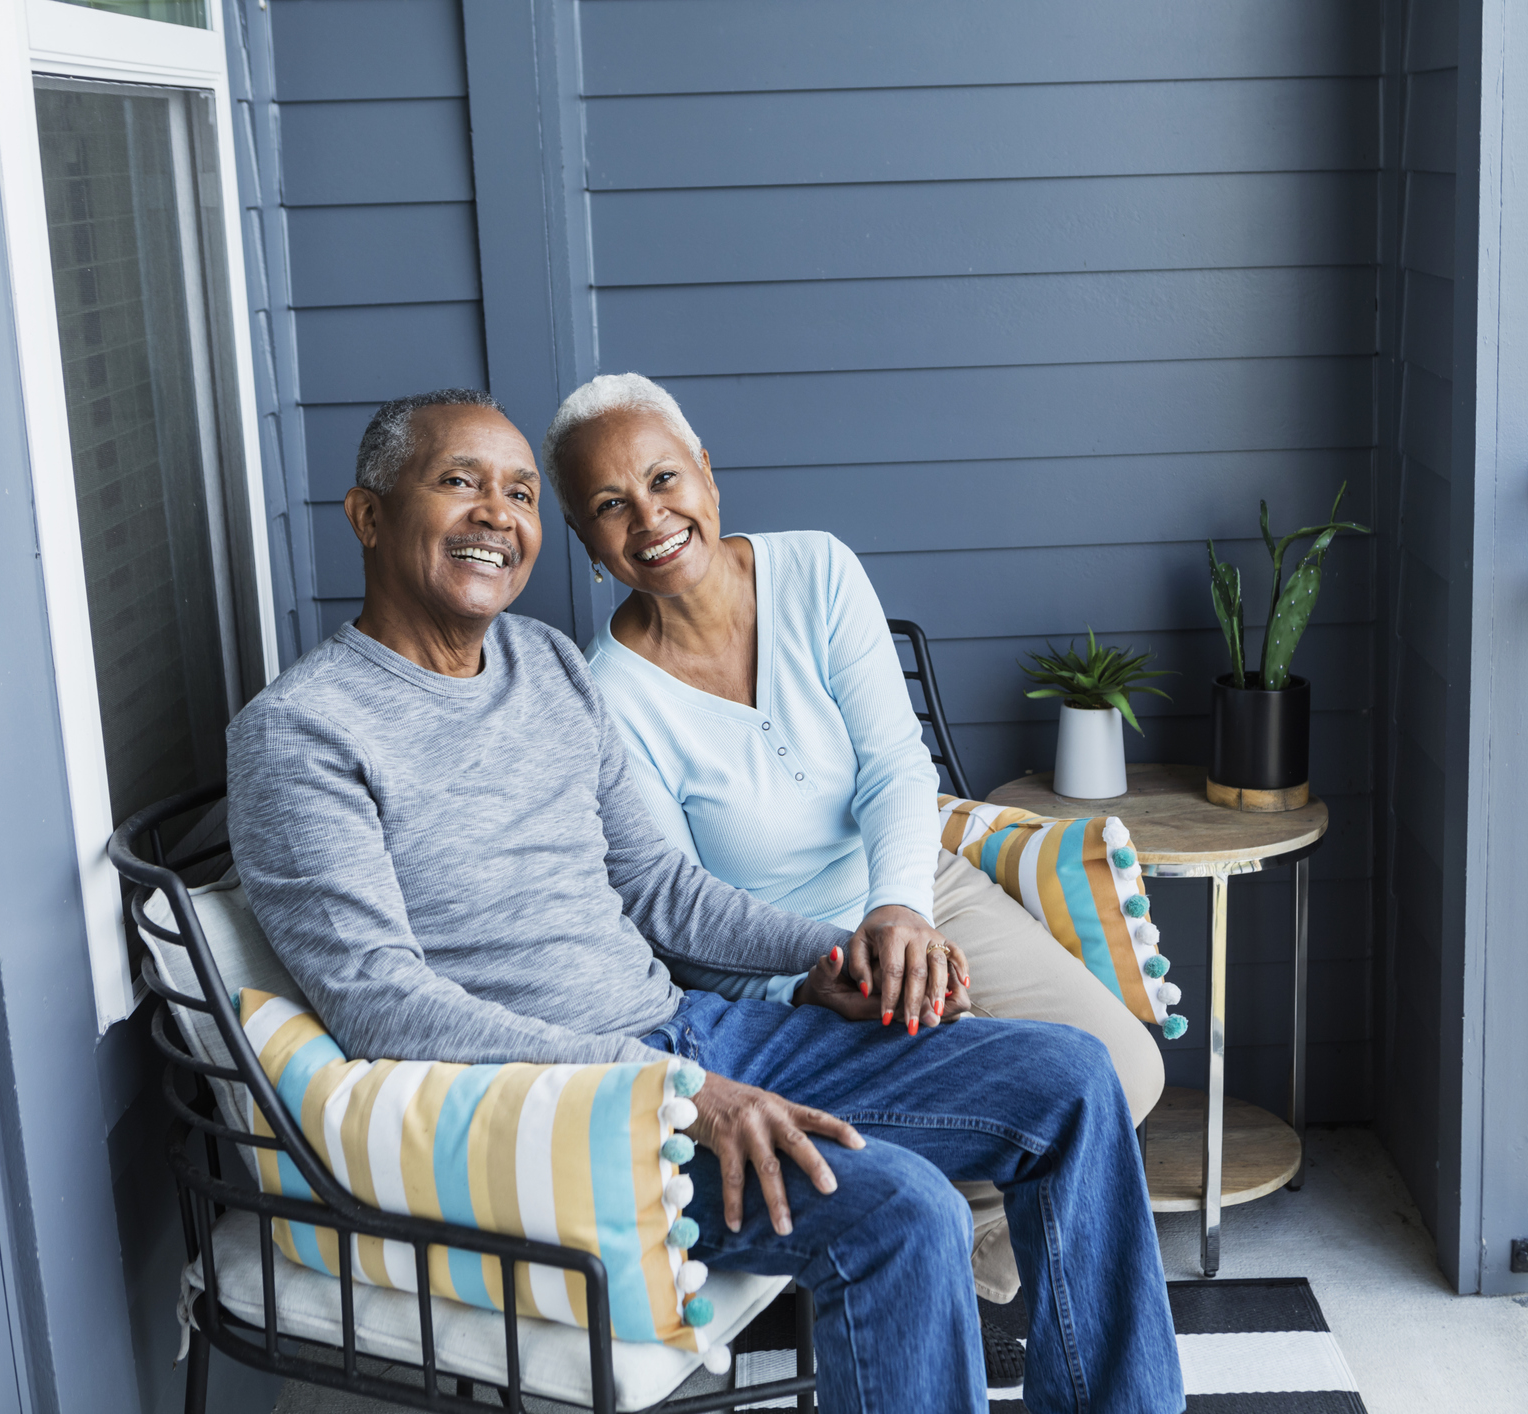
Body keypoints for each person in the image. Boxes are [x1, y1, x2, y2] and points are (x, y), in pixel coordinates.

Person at [224, 388, 1182, 1414]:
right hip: (568, 1109)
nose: (497, 514)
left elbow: (658, 888)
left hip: (692, 1034)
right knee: (904, 1211)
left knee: (1073, 1080)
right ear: (368, 515)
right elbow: (382, 1004)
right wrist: (669, 1090)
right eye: (458, 482)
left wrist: (829, 959)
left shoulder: (543, 663)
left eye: (515, 491)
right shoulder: (304, 734)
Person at [544, 372, 1166, 1313]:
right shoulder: (609, 697)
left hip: (914, 888)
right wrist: (807, 975)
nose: (649, 518)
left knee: (1124, 1072)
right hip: (785, 975)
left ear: (707, 473)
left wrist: (902, 906)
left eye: (665, 479)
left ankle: (968, 1238)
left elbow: (893, 768)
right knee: (952, 1131)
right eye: (608, 505)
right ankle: (935, 1237)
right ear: (585, 537)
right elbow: (673, 907)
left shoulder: (817, 569)